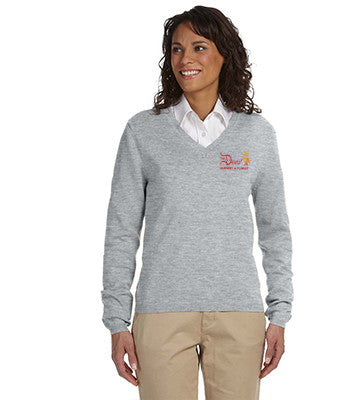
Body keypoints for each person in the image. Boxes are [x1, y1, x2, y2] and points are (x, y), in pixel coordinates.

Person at [101, 5, 294, 400]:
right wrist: (117, 321)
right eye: (176, 49)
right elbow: (121, 231)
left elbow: (275, 230)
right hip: (161, 313)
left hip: (239, 313)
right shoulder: (143, 131)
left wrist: (280, 313)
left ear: (225, 55)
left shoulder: (257, 134)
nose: (185, 59)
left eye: (199, 47)